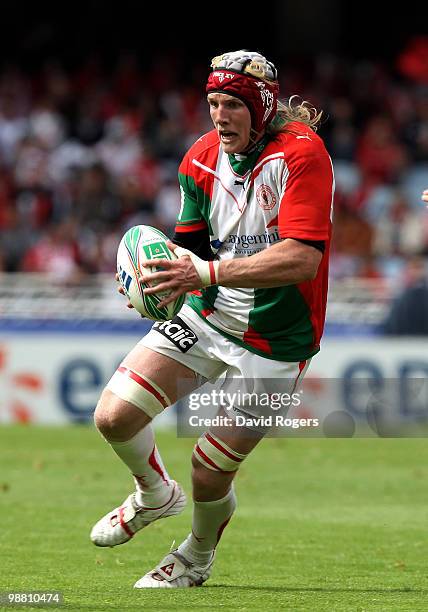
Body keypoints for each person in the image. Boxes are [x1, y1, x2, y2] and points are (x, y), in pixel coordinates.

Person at [91, 50, 334, 588]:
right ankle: (155, 494)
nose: (219, 116)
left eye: (232, 104)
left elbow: (303, 258)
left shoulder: (302, 156)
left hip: (275, 341)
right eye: (213, 103)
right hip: (206, 319)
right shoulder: (199, 158)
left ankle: (195, 557)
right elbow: (189, 253)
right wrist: (151, 282)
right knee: (114, 417)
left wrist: (205, 274)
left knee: (209, 466)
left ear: (261, 106)